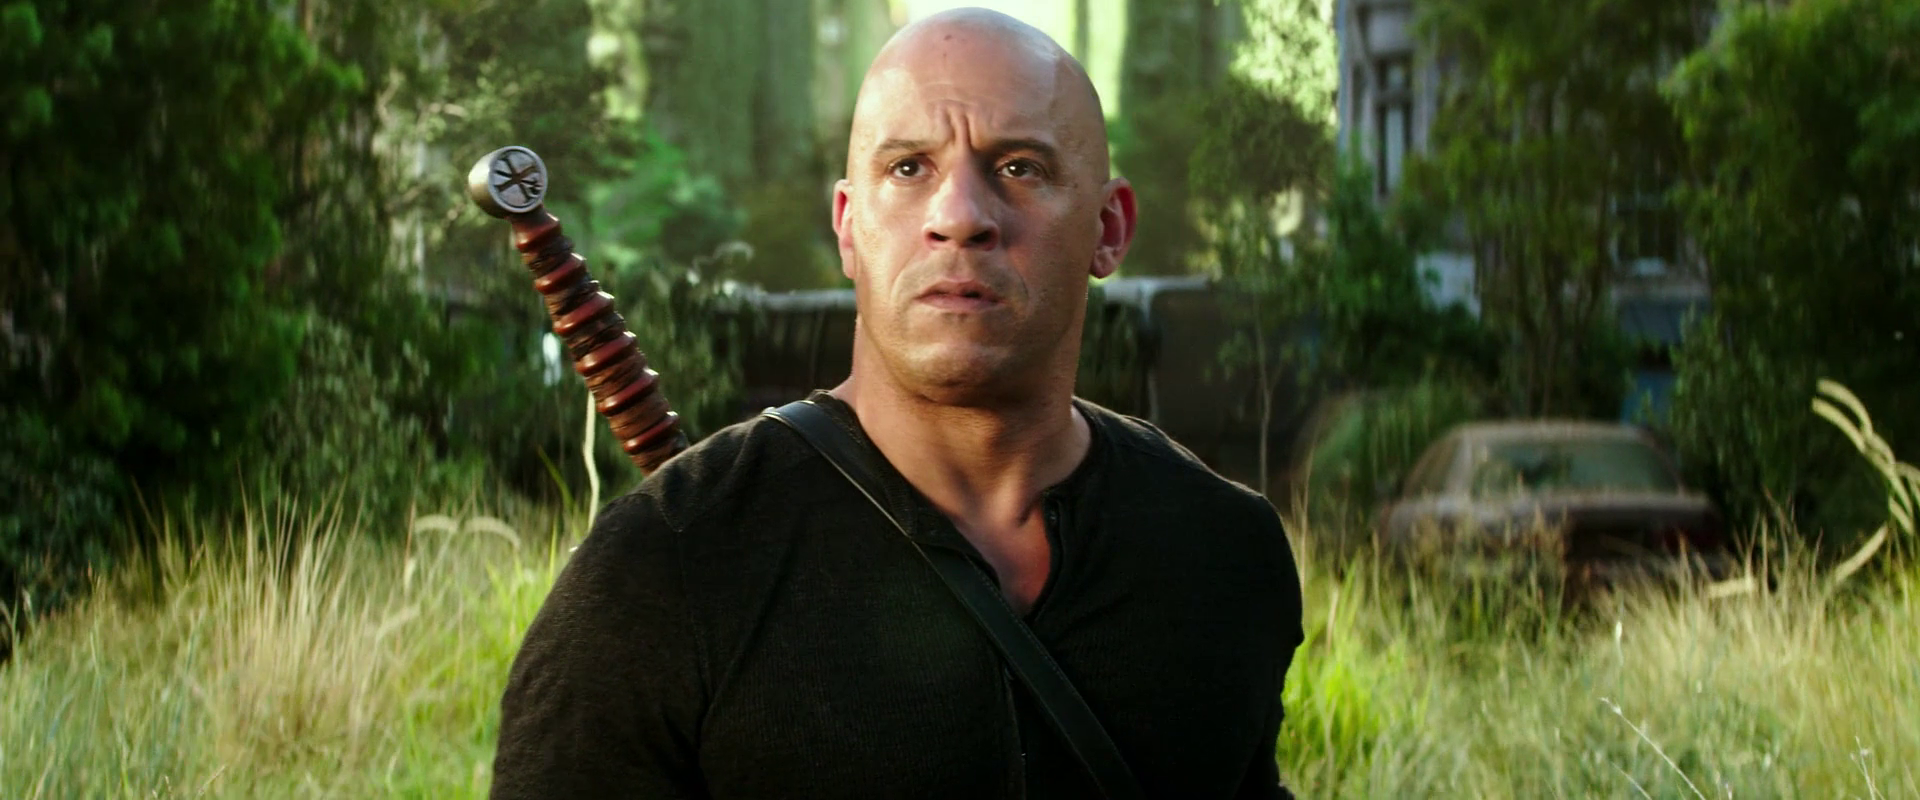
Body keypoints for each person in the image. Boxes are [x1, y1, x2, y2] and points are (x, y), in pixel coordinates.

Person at [489, 8, 1305, 798]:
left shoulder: (1223, 554)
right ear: (849, 226)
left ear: (1109, 227)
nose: (960, 218)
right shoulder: (660, 571)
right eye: (909, 169)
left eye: (1021, 167)